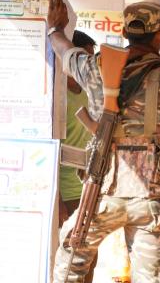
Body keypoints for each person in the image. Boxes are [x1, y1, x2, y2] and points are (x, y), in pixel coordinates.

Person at [47, 0, 160, 283]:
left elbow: (65, 52)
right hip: (153, 198)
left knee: (71, 262)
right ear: (159, 36)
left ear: (124, 32)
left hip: (102, 191)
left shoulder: (96, 68)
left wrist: (54, 28)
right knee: (153, 276)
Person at [58, 30, 97, 283]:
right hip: (65, 190)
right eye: (84, 59)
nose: (88, 67)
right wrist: (57, 199)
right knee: (68, 257)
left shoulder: (92, 91)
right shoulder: (57, 95)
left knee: (89, 254)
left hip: (88, 186)